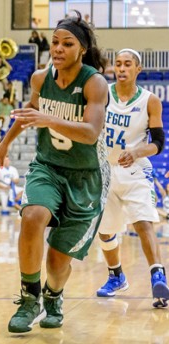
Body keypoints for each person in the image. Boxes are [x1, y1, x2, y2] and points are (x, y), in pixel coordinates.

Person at [0, 11, 109, 332]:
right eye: (54, 42)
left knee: (57, 263)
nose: (57, 48)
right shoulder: (40, 79)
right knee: (32, 216)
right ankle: (29, 300)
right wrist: (3, 145)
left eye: (66, 44)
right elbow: (29, 113)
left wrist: (49, 119)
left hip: (86, 178)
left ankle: (53, 295)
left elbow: (91, 132)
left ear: (82, 49)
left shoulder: (94, 83)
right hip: (48, 166)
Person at [95, 49, 168, 308]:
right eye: (118, 64)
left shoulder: (150, 101)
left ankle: (158, 276)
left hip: (136, 168)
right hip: (105, 168)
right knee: (105, 231)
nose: (122, 68)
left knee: (143, 222)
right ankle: (116, 276)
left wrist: (137, 151)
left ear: (138, 69)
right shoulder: (102, 93)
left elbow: (158, 142)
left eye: (128, 64)